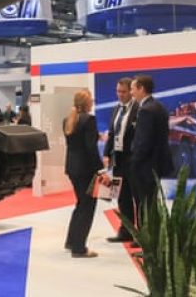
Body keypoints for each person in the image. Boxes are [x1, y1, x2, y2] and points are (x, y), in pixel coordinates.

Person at [63, 89, 103, 258]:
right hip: (86, 169)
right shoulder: (89, 120)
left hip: (72, 167)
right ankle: (79, 248)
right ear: (87, 103)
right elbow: (90, 148)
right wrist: (100, 169)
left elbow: (77, 142)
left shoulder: (67, 120)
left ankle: (72, 241)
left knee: (80, 204)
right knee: (87, 207)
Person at [103, 77, 139, 243]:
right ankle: (126, 231)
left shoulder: (139, 108)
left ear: (131, 91)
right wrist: (106, 154)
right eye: (118, 91)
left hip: (134, 160)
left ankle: (141, 235)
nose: (120, 94)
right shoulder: (117, 108)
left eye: (123, 92)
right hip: (118, 159)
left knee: (137, 198)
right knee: (122, 197)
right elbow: (112, 133)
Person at [129, 75, 172, 210]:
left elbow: (143, 142)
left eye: (132, 89)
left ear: (141, 89)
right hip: (156, 166)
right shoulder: (159, 107)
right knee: (151, 205)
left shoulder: (146, 110)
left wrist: (133, 163)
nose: (131, 93)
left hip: (145, 168)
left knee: (144, 207)